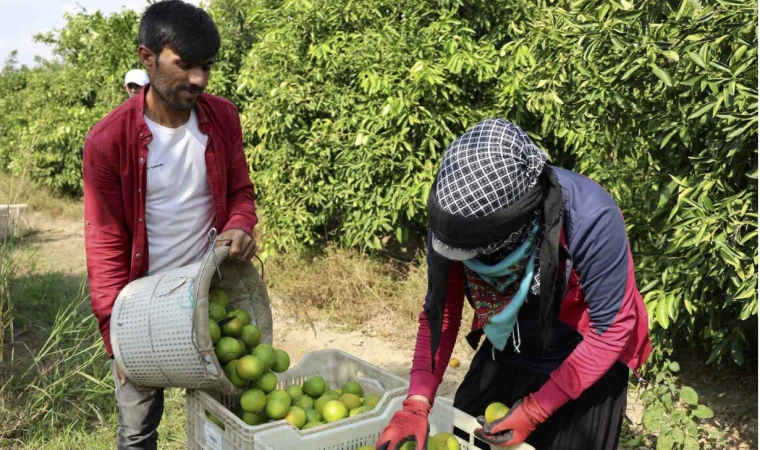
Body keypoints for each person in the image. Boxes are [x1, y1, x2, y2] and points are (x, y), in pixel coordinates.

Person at [377, 119, 651, 450]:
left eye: (473, 253)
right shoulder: (455, 222)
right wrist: (417, 402)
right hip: (512, 341)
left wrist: (536, 410)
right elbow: (441, 314)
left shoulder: (589, 217)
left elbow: (611, 331)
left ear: (511, 227)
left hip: (585, 356)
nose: (465, 259)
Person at [82, 2, 258, 449]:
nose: (198, 79)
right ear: (147, 58)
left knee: (225, 422)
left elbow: (241, 192)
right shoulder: (108, 142)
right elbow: (104, 246)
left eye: (207, 67)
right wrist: (115, 339)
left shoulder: (223, 118)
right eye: (185, 66)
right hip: (141, 309)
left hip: (210, 297)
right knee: (138, 429)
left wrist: (240, 224)